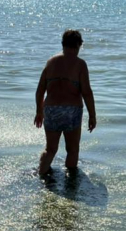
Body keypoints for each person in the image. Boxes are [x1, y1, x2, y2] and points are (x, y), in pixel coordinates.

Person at [34, 29, 97, 177]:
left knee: (50, 149)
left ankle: (41, 175)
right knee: (72, 149)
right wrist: (92, 116)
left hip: (51, 110)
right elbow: (87, 92)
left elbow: (40, 90)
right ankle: (71, 183)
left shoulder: (50, 62)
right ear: (79, 45)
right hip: (72, 111)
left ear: (63, 44)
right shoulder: (80, 64)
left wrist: (39, 112)